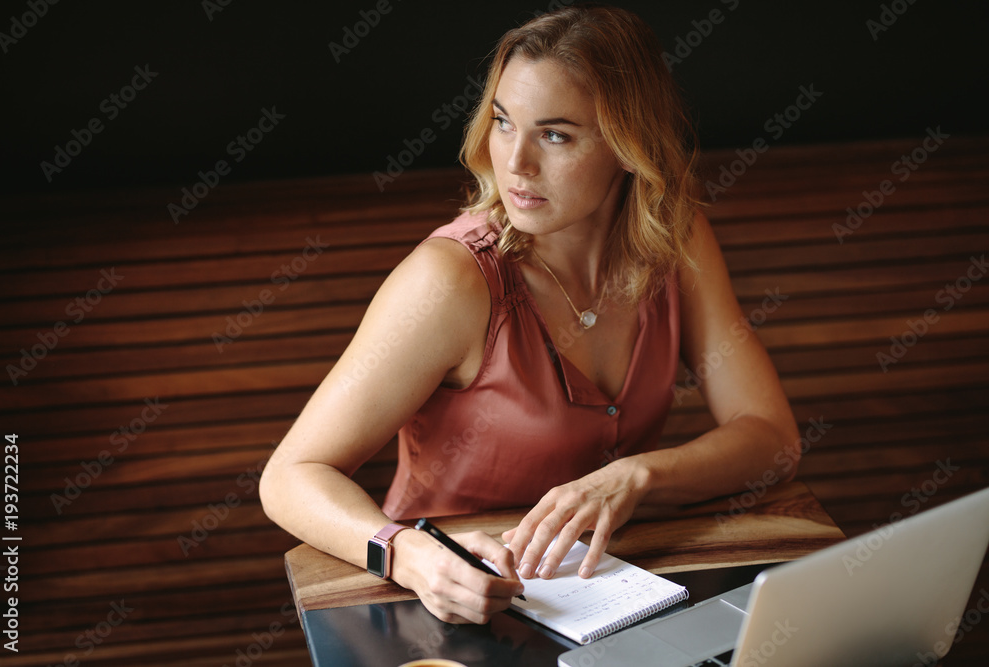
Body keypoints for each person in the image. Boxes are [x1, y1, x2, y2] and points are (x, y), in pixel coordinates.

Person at [259, 4, 799, 626]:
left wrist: (638, 476)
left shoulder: (676, 242)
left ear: (631, 146)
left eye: (556, 134)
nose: (515, 164)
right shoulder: (452, 280)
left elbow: (772, 437)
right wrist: (408, 554)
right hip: (444, 607)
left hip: (616, 596)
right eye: (503, 122)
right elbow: (290, 476)